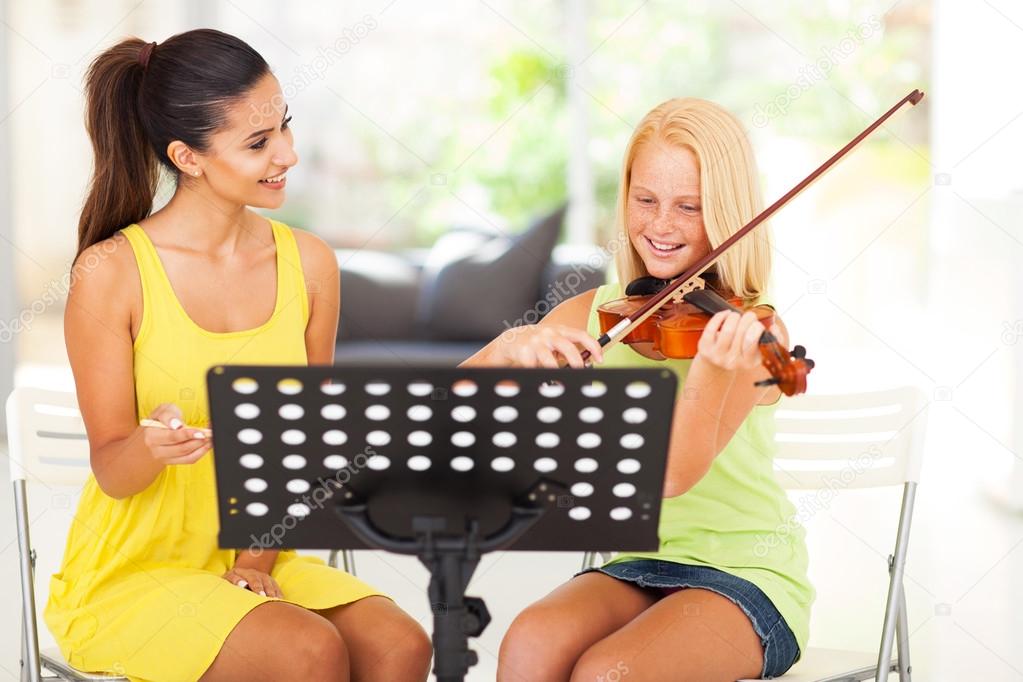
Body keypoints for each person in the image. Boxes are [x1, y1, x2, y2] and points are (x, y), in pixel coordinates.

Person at [45, 29, 432, 682]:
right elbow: (114, 469)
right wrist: (150, 446)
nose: (287, 153)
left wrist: (253, 563)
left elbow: (307, 443)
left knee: (400, 645)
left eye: (283, 126)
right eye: (257, 143)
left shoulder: (309, 264)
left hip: (256, 555)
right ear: (187, 157)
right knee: (306, 651)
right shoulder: (111, 272)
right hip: (134, 574)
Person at [464, 97, 813, 680]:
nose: (660, 225)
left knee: (610, 672)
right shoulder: (601, 313)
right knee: (528, 641)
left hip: (747, 577)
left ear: (727, 214)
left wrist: (709, 370)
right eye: (645, 199)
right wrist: (504, 351)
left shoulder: (754, 331)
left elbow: (673, 476)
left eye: (689, 207)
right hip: (636, 564)